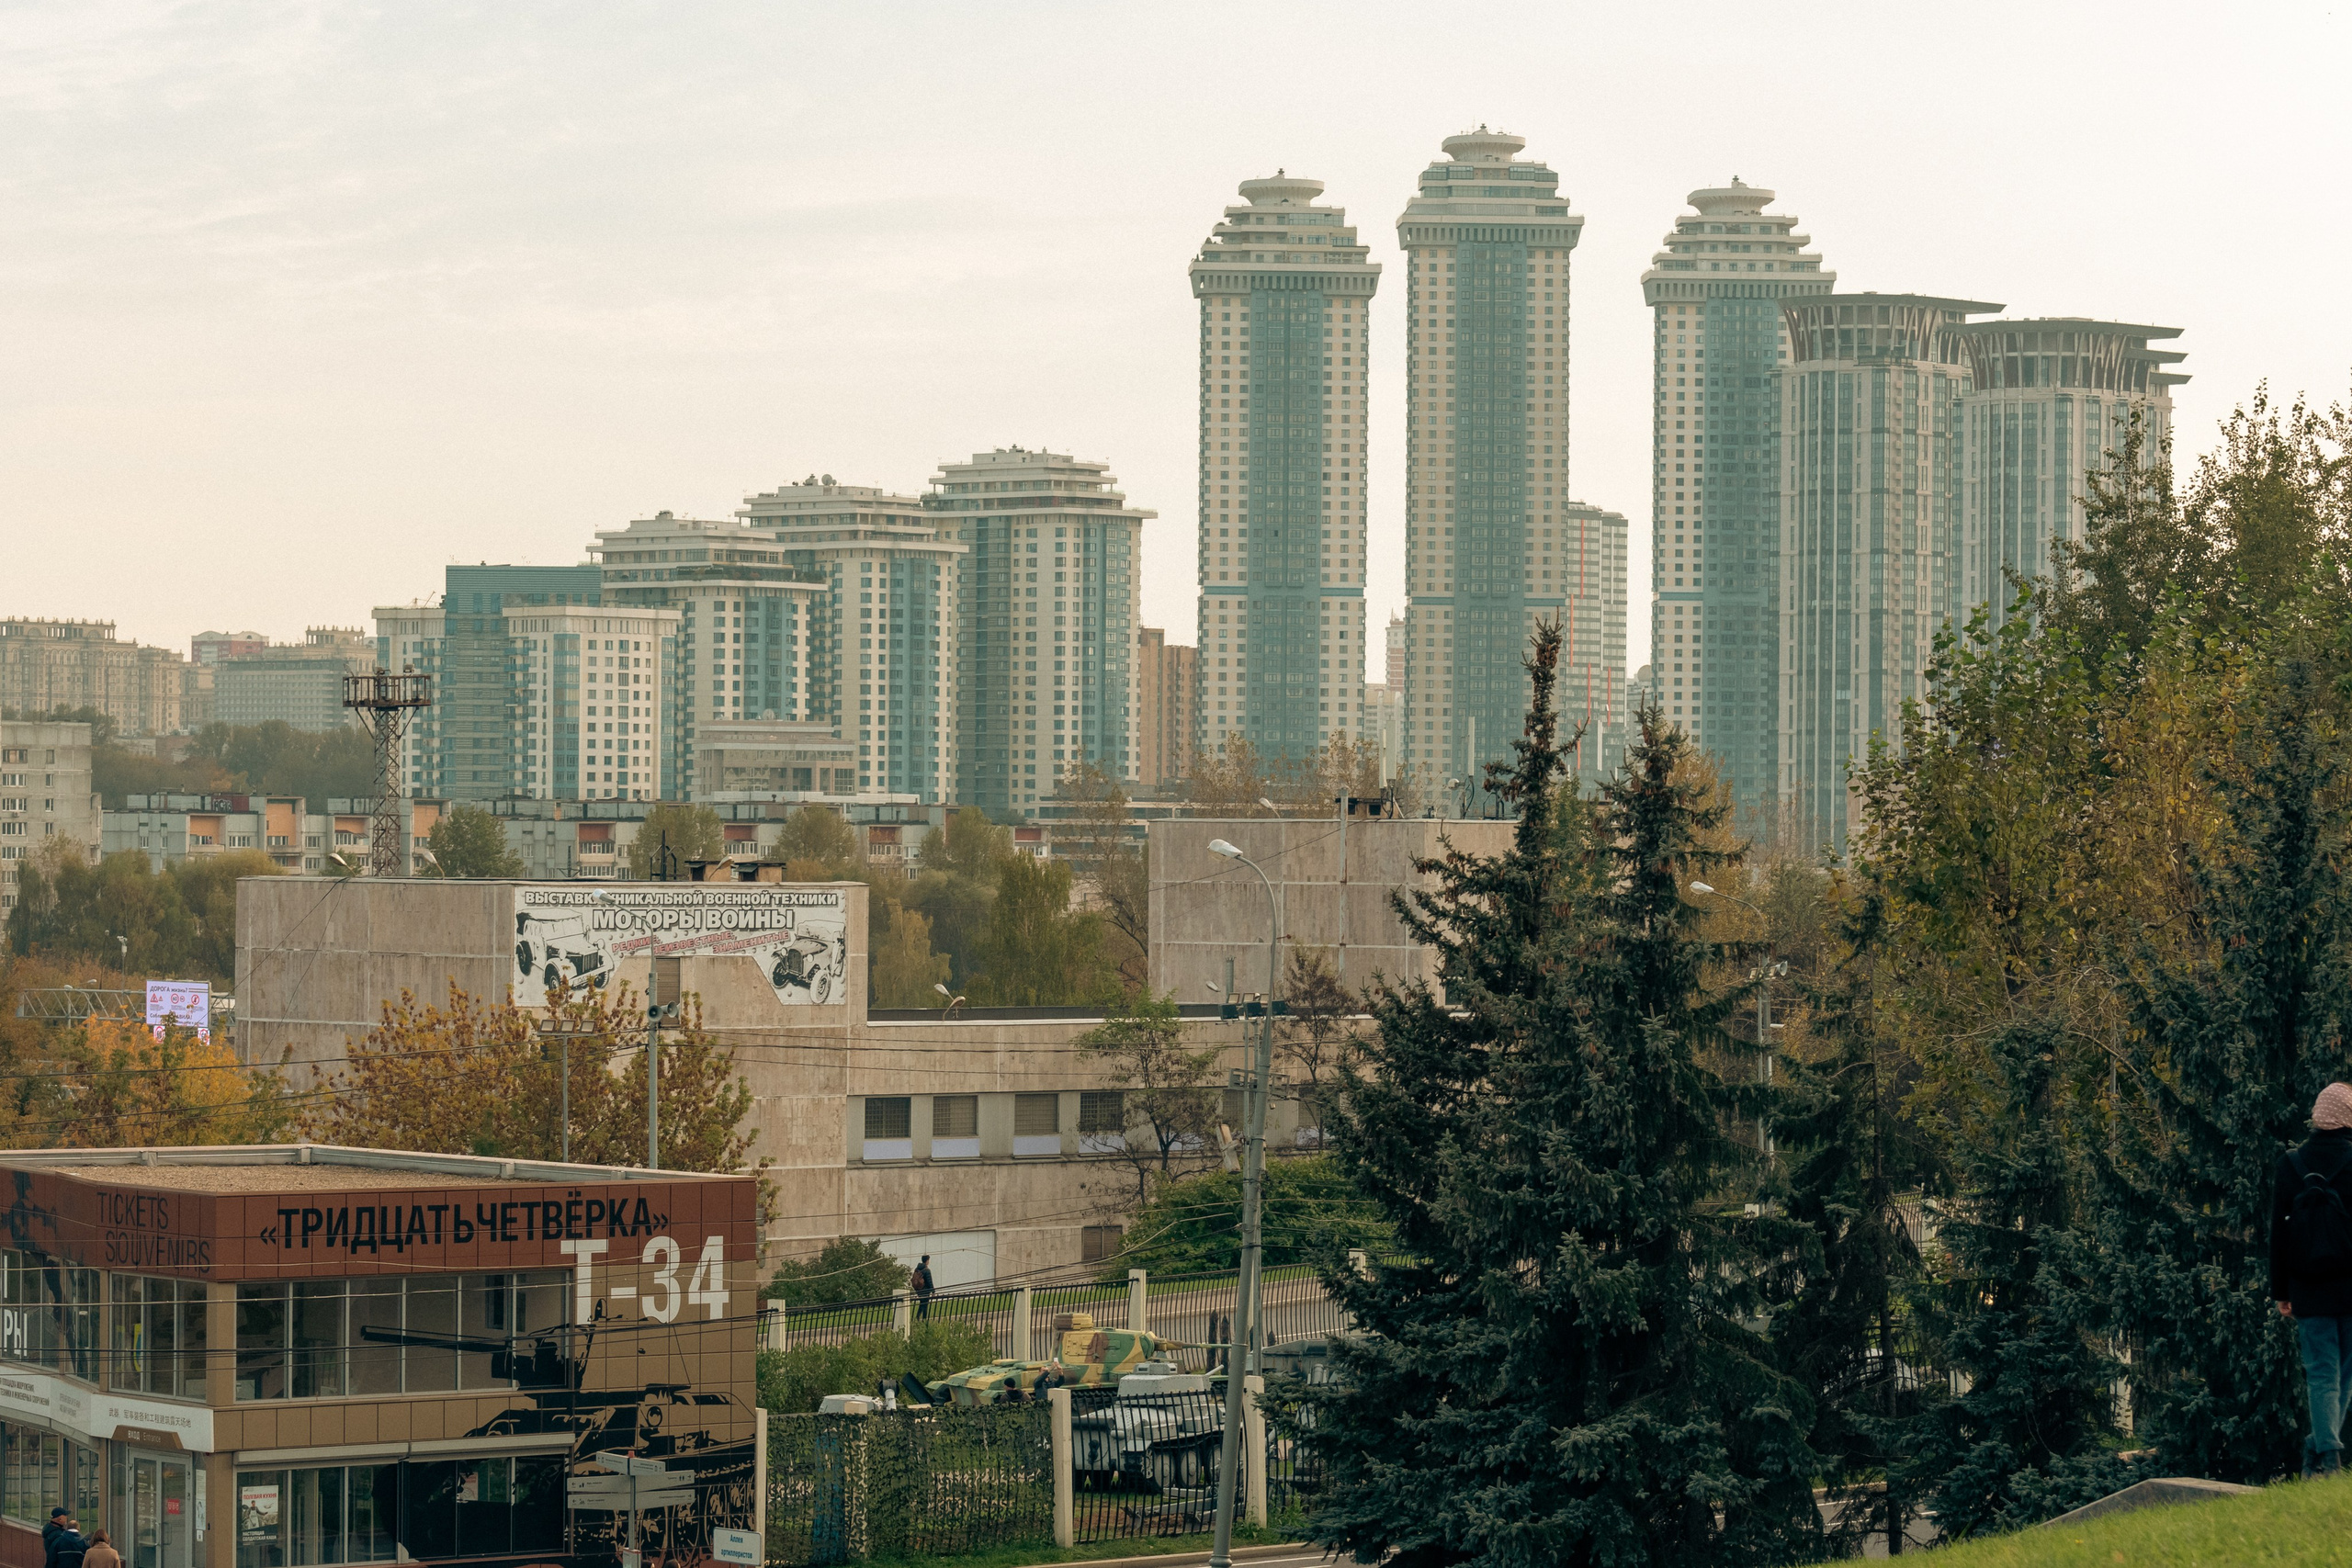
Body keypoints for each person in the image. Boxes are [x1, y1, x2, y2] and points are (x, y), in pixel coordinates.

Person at [2273, 1080, 2352, 1477]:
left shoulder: (2291, 1164)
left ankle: (2319, 1450)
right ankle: (2329, 1456)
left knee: (2321, 1371)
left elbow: (2277, 1234)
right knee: (2345, 1372)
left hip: (2307, 1286)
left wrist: (2281, 1292)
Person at [910, 1254, 935, 1321]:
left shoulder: (917, 1269)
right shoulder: (927, 1270)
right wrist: (933, 1291)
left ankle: (917, 1317)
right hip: (925, 1291)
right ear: (927, 1261)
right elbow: (929, 1281)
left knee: (922, 1304)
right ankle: (924, 1320)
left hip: (919, 1290)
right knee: (925, 1306)